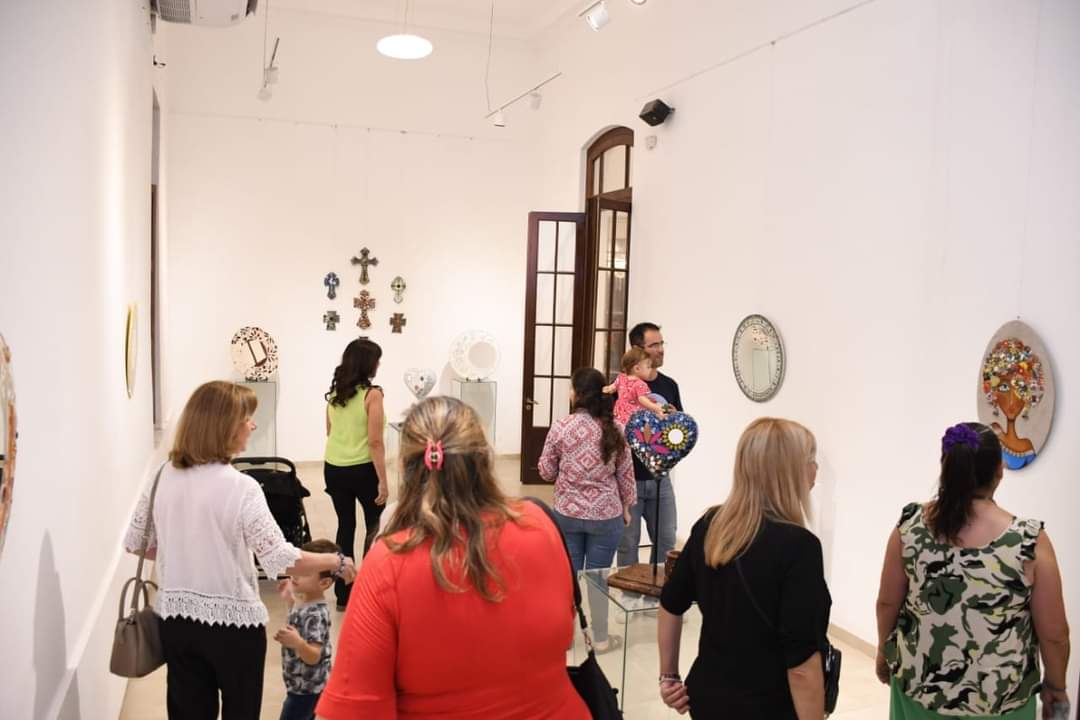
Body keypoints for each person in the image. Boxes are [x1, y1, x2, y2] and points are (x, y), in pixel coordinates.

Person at [316, 396, 589, 720]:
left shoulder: (388, 563)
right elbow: (563, 632)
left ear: (404, 467)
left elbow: (356, 710)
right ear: (485, 459)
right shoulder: (539, 523)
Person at [123, 381, 356, 720]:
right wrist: (335, 560)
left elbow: (136, 542)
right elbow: (279, 558)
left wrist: (190, 554)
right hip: (234, 628)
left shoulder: (162, 476)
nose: (253, 425)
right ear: (225, 428)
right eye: (246, 418)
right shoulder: (242, 487)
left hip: (176, 623)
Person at [875, 422, 1070, 720]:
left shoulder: (910, 526)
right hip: (1000, 700)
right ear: (999, 471)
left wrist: (883, 651)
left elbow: (887, 602)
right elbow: (1054, 634)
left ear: (945, 466)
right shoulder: (1028, 541)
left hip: (918, 688)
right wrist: (1056, 686)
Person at [658, 417, 830, 719]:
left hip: (708, 698)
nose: (816, 470)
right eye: (811, 461)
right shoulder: (799, 547)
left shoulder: (710, 526)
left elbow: (671, 602)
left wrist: (668, 676)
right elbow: (801, 667)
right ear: (790, 470)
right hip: (768, 707)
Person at [539, 367, 637, 653]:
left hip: (567, 515)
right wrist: (626, 507)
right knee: (598, 579)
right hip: (606, 516)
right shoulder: (615, 428)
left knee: (567, 578)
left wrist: (565, 470)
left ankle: (566, 637)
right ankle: (601, 638)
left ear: (578, 394)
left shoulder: (561, 427)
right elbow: (626, 475)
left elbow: (546, 471)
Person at [324, 338, 388, 611]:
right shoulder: (372, 395)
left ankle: (343, 594)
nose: (379, 365)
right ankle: (368, 590)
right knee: (375, 527)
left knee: (345, 525)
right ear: (368, 364)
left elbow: (330, 431)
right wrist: (383, 481)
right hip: (363, 469)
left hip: (334, 467)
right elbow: (375, 442)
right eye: (377, 360)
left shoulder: (335, 393)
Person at [617, 321, 683, 567]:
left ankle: (662, 590)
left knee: (667, 542)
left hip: (660, 479)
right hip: (628, 480)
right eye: (654, 345)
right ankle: (627, 590)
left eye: (661, 343)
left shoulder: (670, 386)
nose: (661, 349)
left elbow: (678, 430)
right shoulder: (621, 386)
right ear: (638, 349)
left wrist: (674, 420)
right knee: (627, 545)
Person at [275, 539, 340, 720]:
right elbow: (299, 623)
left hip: (306, 691)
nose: (295, 575)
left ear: (324, 583)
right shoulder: (307, 605)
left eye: (304, 572)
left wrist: (298, 643)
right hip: (302, 686)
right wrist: (289, 602)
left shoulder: (315, 614)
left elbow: (314, 656)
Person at [603, 347, 669, 425]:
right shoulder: (641, 384)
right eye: (648, 367)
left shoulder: (621, 378)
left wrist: (605, 389)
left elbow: (611, 388)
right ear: (637, 368)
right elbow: (643, 401)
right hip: (633, 417)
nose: (650, 370)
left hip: (618, 414)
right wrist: (656, 408)